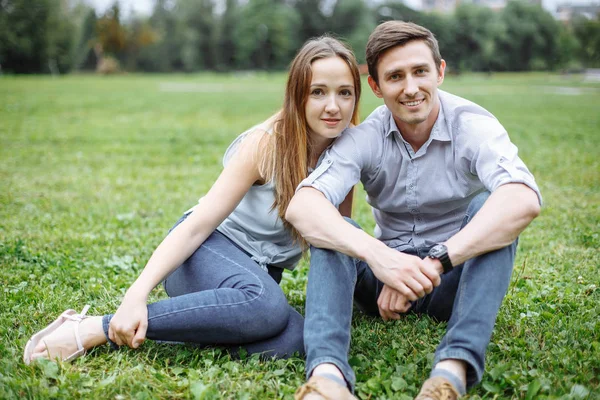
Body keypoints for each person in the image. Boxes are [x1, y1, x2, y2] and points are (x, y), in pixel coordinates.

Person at [23, 36, 362, 365]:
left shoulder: (346, 157)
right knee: (265, 306)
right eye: (318, 92)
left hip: (255, 278)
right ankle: (97, 328)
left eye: (344, 93)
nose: (333, 106)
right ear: (297, 95)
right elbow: (197, 226)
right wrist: (137, 293)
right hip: (204, 253)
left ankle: (208, 322)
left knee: (298, 340)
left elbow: (333, 239)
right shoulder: (265, 144)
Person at [288, 21, 541, 400]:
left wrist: (436, 262)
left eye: (420, 71)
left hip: (452, 278)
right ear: (375, 86)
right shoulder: (366, 137)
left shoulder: (472, 125)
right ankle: (326, 378)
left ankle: (449, 373)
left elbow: (523, 198)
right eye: (395, 76)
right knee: (333, 224)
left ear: (439, 71)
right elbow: (303, 205)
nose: (410, 88)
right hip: (379, 283)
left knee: (492, 207)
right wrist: (383, 260)